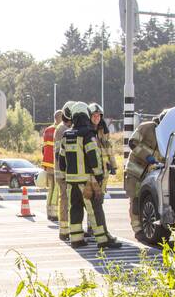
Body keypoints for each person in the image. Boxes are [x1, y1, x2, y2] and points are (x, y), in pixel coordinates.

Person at [59, 102, 120, 250]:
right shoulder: (87, 134)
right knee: (96, 209)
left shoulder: (66, 135)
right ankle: (103, 239)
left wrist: (66, 175)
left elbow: (61, 161)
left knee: (75, 209)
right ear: (86, 115)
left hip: (71, 181)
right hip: (87, 180)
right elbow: (93, 156)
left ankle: (76, 239)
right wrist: (99, 175)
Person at [125, 114, 163, 232]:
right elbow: (132, 143)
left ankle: (143, 226)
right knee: (135, 200)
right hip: (135, 172)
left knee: (144, 200)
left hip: (149, 174)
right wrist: (148, 156)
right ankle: (137, 229)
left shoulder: (165, 133)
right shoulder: (146, 127)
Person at [53, 102, 73, 241]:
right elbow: (60, 154)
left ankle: (66, 230)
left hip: (62, 172)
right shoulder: (62, 130)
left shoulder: (63, 128)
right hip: (63, 173)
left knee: (67, 200)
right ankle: (64, 230)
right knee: (65, 201)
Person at [41, 110, 60, 221]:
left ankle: (48, 212)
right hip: (55, 163)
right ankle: (54, 213)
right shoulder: (60, 129)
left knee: (50, 188)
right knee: (56, 188)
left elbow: (44, 149)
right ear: (60, 118)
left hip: (47, 164)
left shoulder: (47, 130)